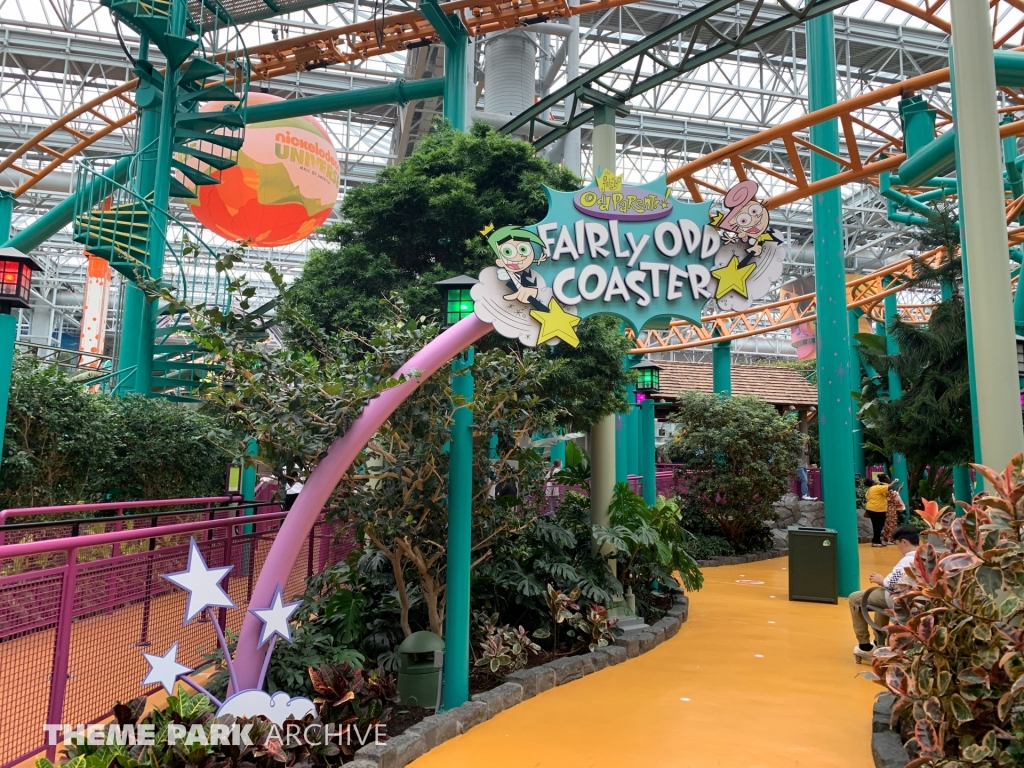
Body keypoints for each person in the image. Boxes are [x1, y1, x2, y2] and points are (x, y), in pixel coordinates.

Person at [848, 524, 919, 661]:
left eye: (897, 544)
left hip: (900, 601)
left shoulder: (907, 560)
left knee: (855, 598)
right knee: (881, 600)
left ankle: (865, 646)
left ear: (904, 542)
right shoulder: (927, 556)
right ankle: (877, 642)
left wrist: (881, 579)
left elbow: (890, 583)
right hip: (918, 602)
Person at [863, 476, 890, 547]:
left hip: (872, 509)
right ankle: (876, 542)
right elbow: (889, 487)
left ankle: (876, 540)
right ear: (872, 482)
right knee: (878, 526)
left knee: (876, 526)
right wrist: (895, 482)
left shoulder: (870, 489)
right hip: (877, 510)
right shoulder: (875, 488)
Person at [882, 476, 905, 545]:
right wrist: (898, 490)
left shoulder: (882, 486)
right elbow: (891, 497)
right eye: (887, 477)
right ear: (885, 479)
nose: (889, 478)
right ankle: (890, 539)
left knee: (887, 523)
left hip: (886, 507)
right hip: (890, 508)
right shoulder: (887, 487)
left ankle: (886, 538)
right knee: (891, 522)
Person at [797, 435, 815, 501]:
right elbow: (800, 451)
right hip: (799, 466)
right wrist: (804, 443)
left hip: (803, 466)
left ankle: (806, 494)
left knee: (806, 481)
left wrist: (809, 446)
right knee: (804, 480)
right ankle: (804, 494)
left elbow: (808, 453)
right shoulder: (797, 447)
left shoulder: (802, 448)